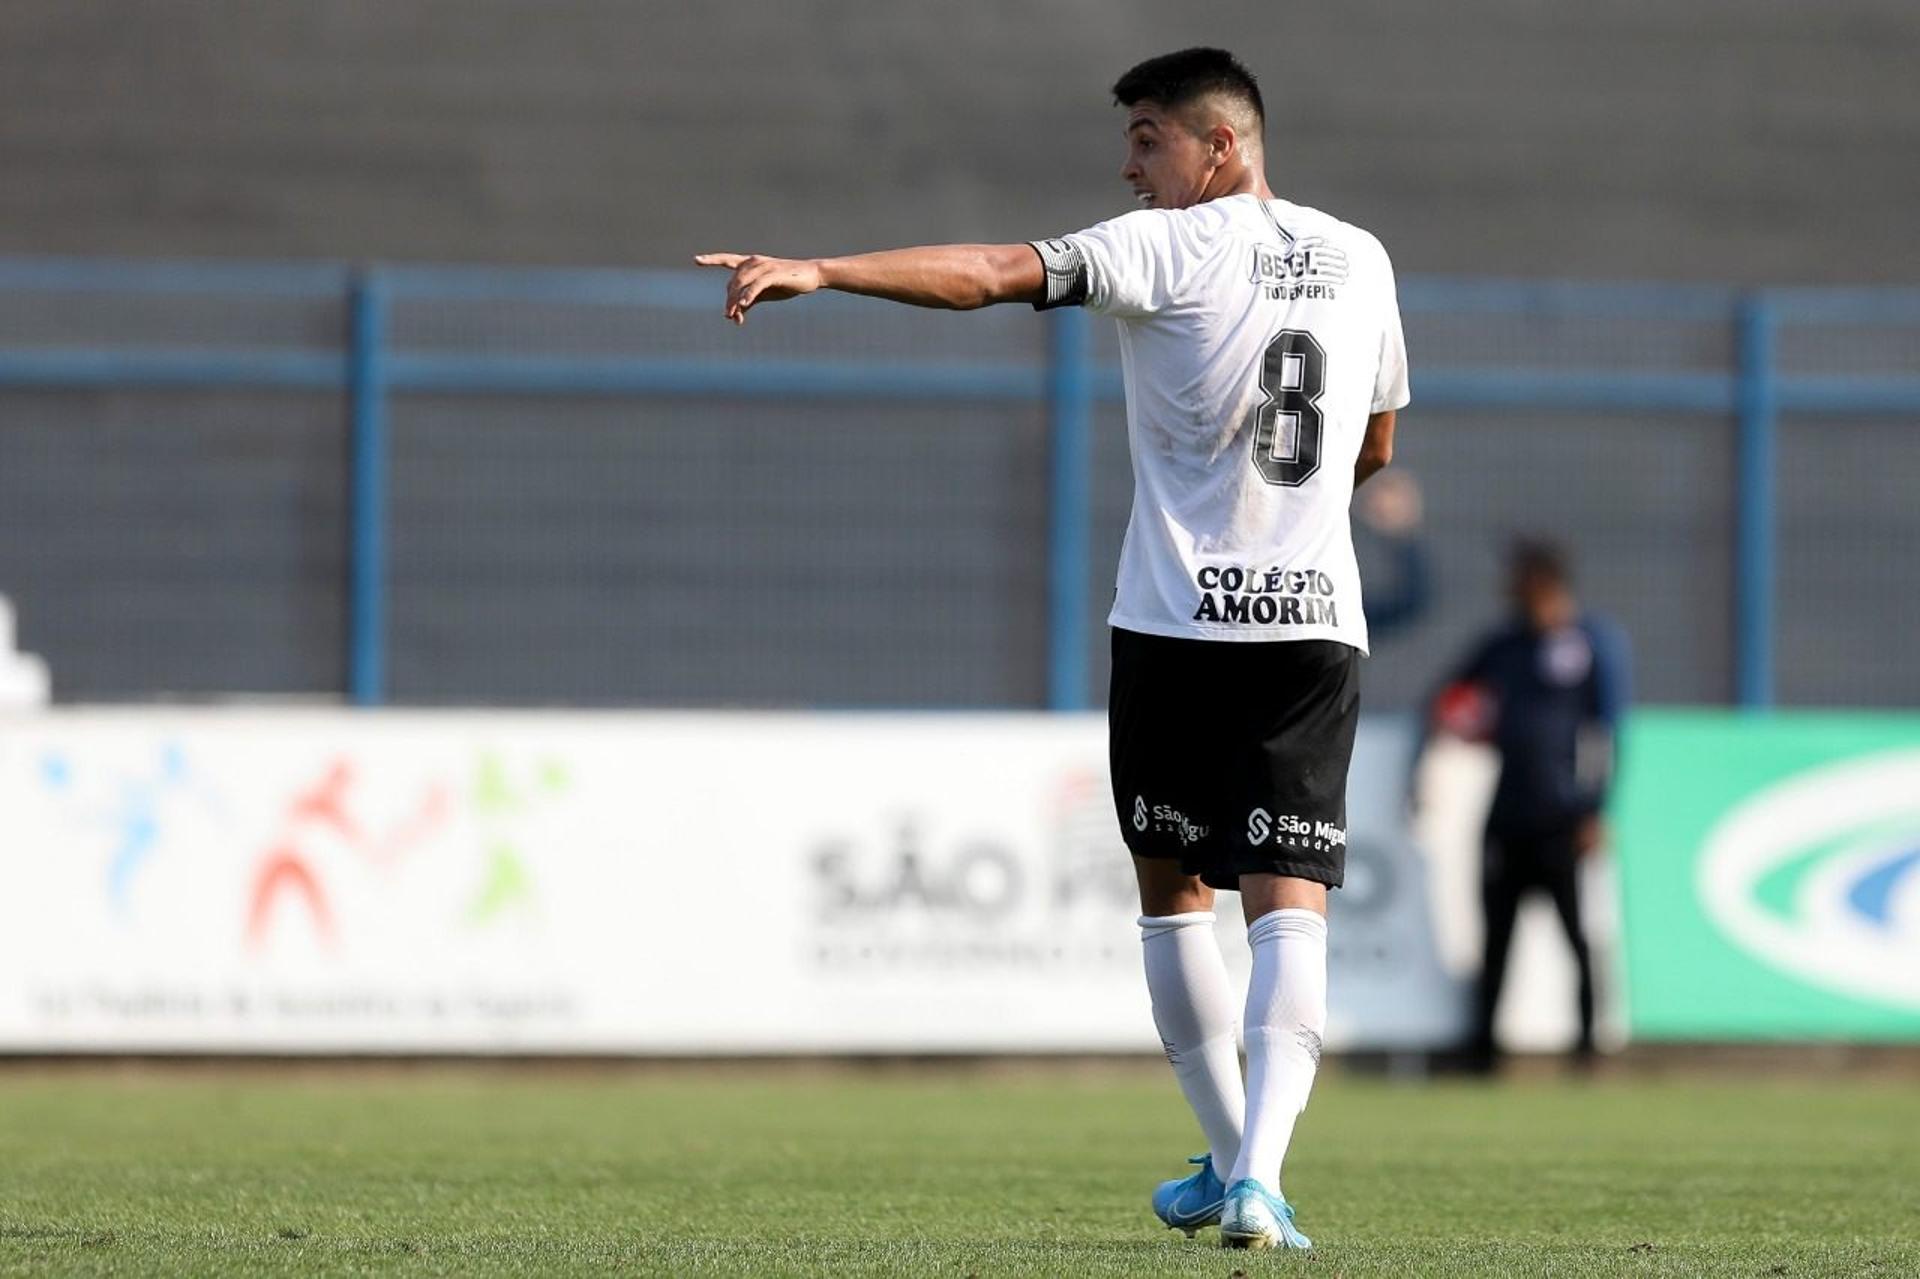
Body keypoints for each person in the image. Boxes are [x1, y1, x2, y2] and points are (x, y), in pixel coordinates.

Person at [698, 47, 1408, 1251]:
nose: (1129, 166)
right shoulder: (1360, 255)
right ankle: (1255, 1175)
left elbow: (986, 273)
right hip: (1311, 624)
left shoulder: (1166, 248)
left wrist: (825, 267)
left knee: (1178, 891)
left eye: (1147, 139)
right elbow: (1375, 444)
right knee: (1293, 904)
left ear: (1218, 148)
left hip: (1177, 621)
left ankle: (1242, 1164)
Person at [1423, 539, 1630, 1070]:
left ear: (1541, 582)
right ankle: (1484, 1052)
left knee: (1576, 936)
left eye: (1516, 579)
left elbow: (1607, 734)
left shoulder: (1590, 644)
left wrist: (1596, 810)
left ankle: (1589, 1047)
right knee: (1496, 937)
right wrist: (1458, 727)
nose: (1507, 590)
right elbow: (1450, 698)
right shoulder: (1503, 646)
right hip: (1507, 815)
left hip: (1561, 818)